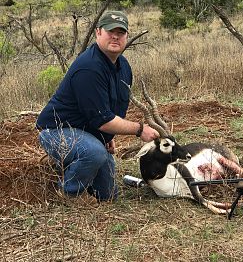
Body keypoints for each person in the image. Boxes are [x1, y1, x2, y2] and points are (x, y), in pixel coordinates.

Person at [36, 10, 160, 201]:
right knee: (94, 153)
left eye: (121, 32)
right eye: (110, 31)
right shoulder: (89, 67)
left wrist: (107, 136)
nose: (115, 36)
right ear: (98, 32)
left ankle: (77, 167)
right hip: (56, 132)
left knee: (109, 196)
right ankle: (68, 193)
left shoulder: (124, 66)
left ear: (126, 36)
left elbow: (110, 112)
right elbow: (103, 120)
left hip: (88, 131)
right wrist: (140, 129)